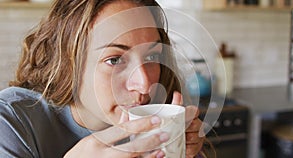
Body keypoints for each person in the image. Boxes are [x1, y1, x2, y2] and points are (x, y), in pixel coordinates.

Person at [0, 0, 205, 157]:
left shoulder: (161, 114)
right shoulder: (11, 122)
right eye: (115, 60)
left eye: (152, 56)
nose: (144, 85)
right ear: (67, 63)